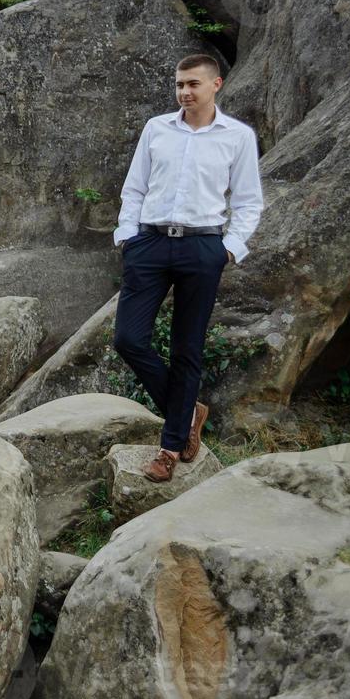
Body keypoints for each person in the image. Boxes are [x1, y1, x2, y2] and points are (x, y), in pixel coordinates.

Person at [111, 53, 264, 483]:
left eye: (193, 84)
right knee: (128, 338)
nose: (184, 92)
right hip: (150, 243)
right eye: (180, 84)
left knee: (187, 349)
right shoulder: (157, 128)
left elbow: (248, 201)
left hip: (203, 247)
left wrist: (229, 249)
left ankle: (170, 448)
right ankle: (188, 410)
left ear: (216, 85)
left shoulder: (237, 136)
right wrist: (128, 235)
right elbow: (135, 186)